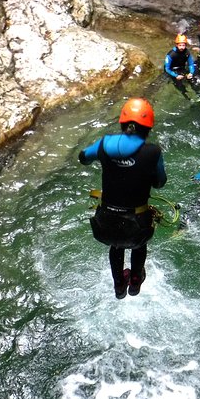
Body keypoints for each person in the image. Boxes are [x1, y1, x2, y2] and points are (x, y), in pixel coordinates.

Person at [78, 98, 167, 299]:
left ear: (122, 123)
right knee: (138, 244)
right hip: (136, 227)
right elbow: (160, 183)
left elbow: (83, 158)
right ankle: (135, 280)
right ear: (147, 127)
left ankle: (119, 285)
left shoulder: (104, 144)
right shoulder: (153, 152)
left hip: (104, 225)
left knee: (116, 244)